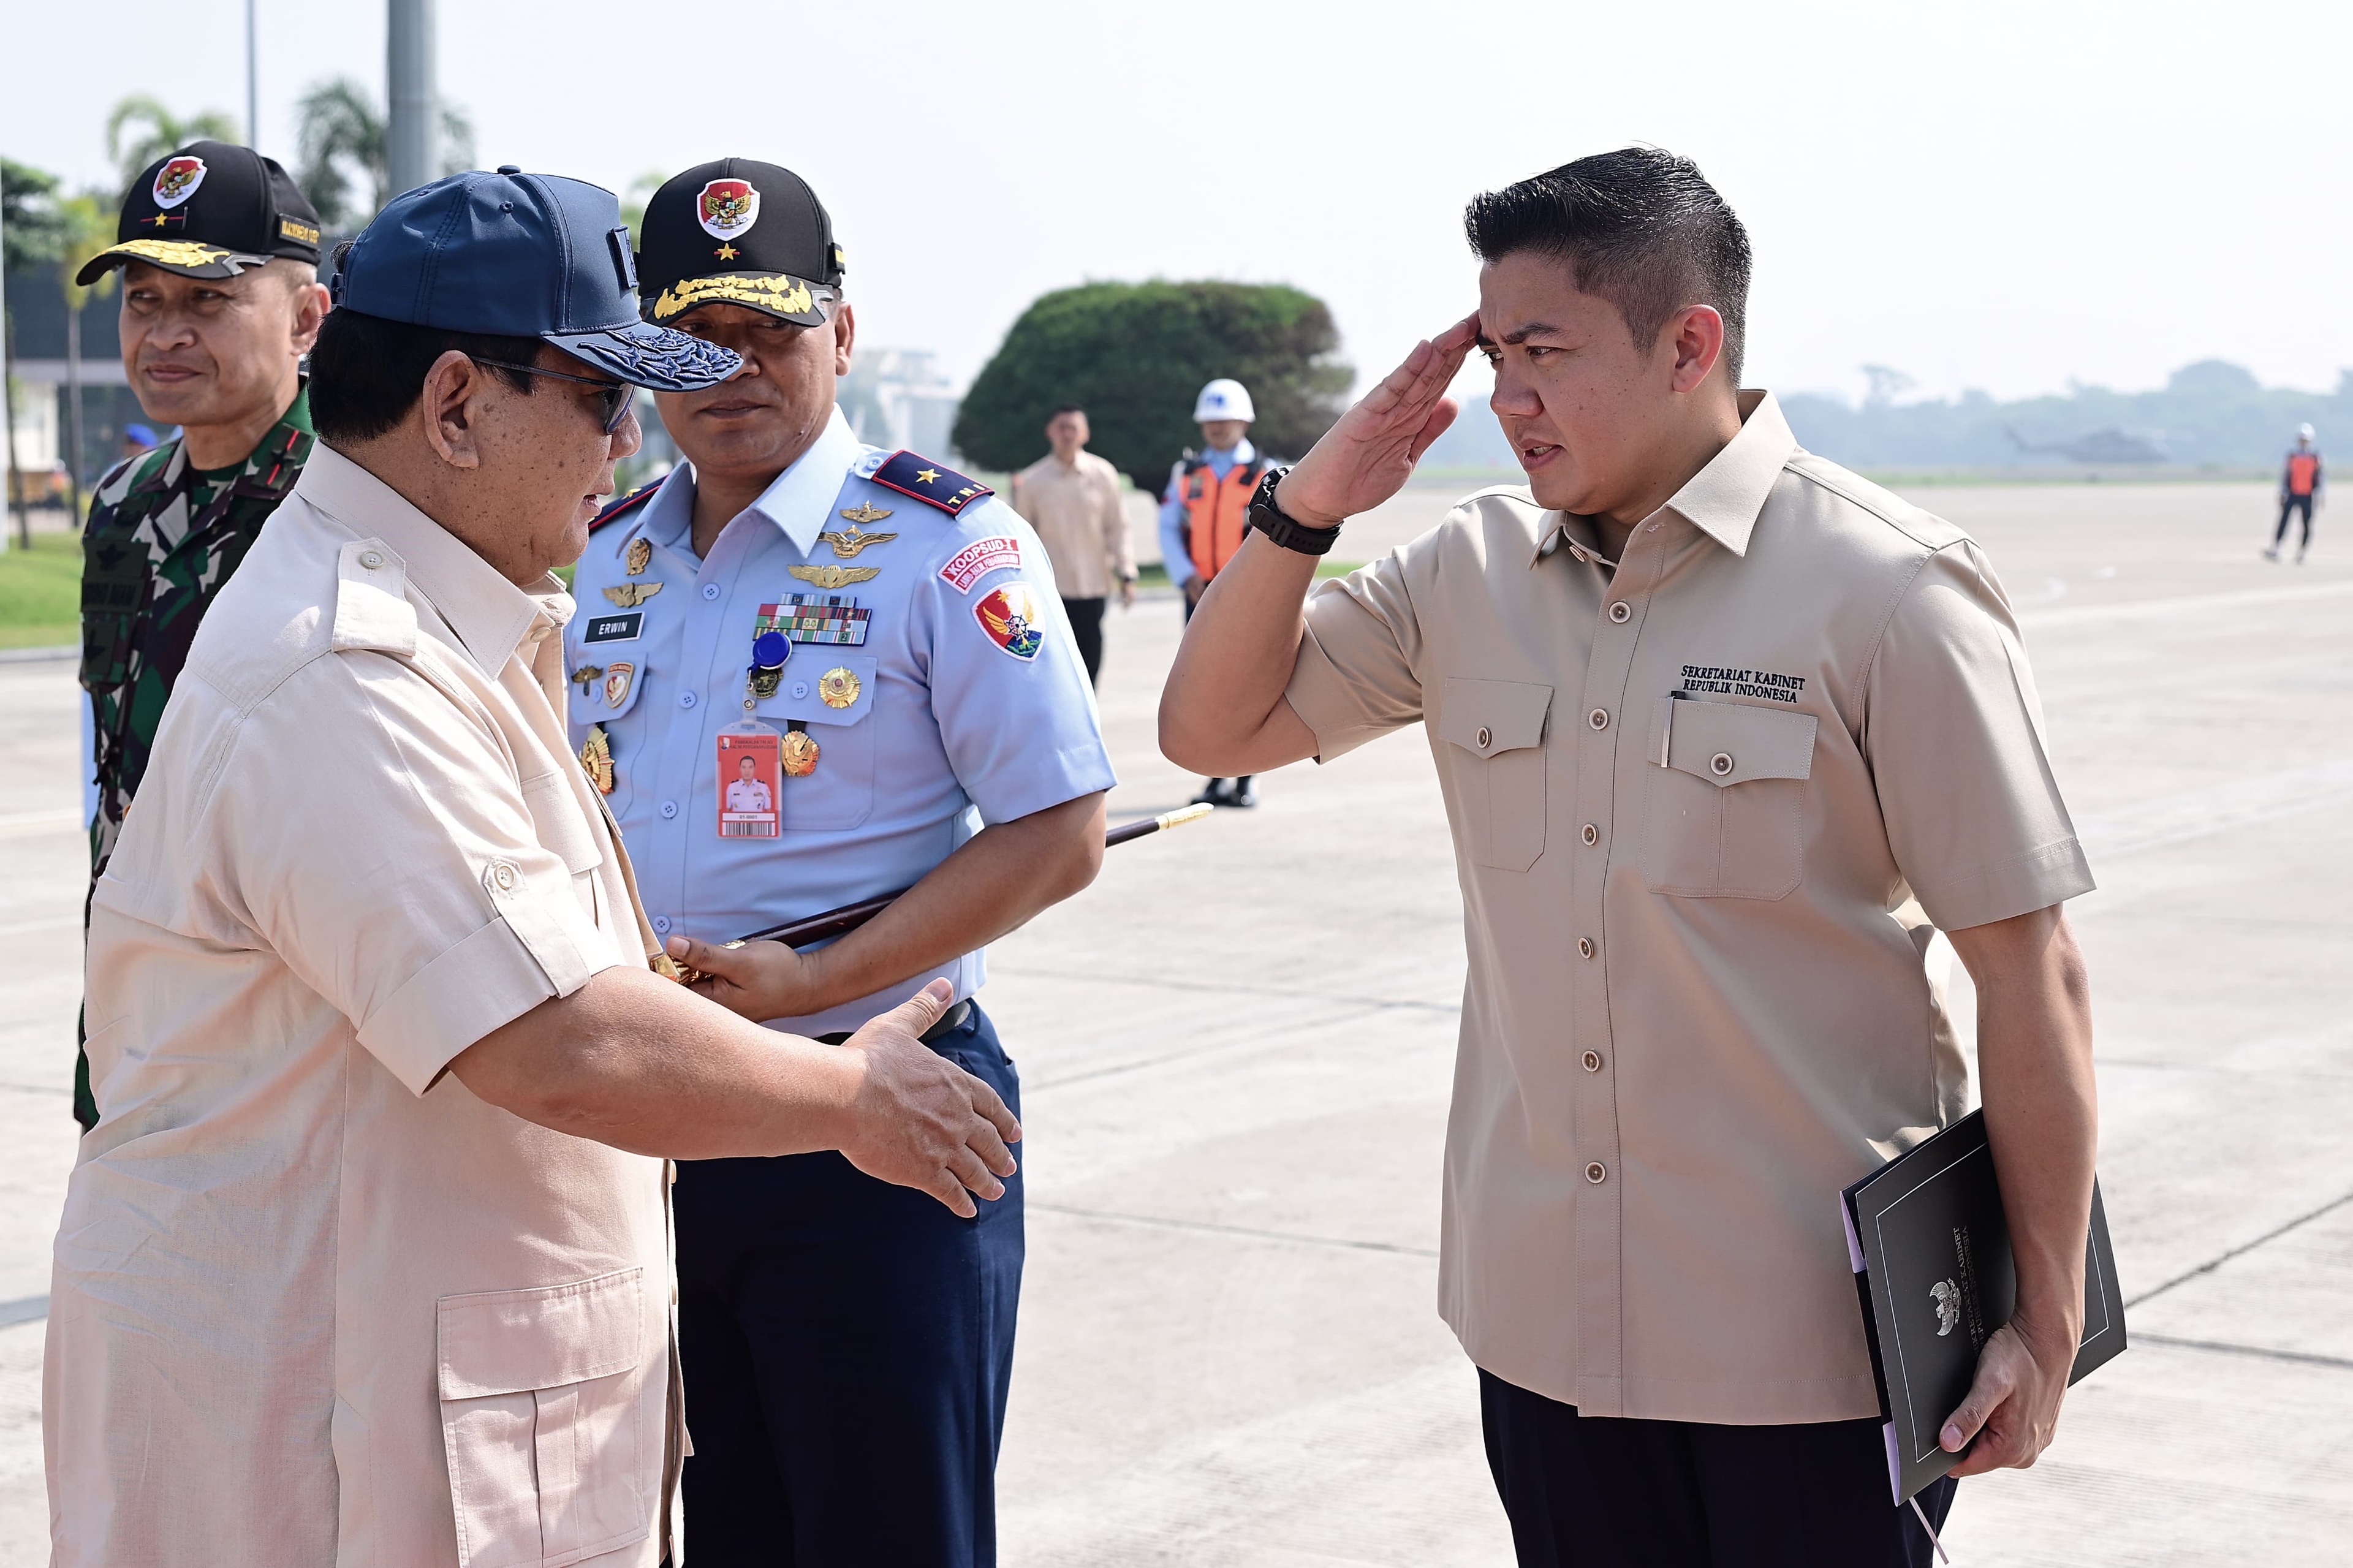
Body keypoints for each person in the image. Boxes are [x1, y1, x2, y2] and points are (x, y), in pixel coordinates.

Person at [48, 166, 1023, 1568]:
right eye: (601, 396)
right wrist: (851, 1097)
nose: (628, 443)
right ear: (454, 405)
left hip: (405, 1404)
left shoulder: (444, 621)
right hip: (329, 1452)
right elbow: (551, 1040)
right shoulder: (344, 668)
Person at [1159, 148, 2100, 1568]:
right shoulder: (1465, 575)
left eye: (1543, 353)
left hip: (1808, 1349)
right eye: (1492, 356)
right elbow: (1208, 726)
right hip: (1544, 1333)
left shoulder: (1888, 590)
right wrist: (1312, 504)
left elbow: (2031, 973)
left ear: (1688, 346)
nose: (1505, 398)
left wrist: (2044, 1316)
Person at [572, 157, 1115, 1567]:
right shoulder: (604, 553)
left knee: (890, 1534)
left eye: (768, 330)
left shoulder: (942, 543)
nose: (732, 368)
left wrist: (815, 977)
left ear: (844, 334)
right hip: (657, 1123)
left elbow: (1057, 830)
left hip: (874, 1118)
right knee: (705, 1531)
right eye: (694, 338)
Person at [70, 139, 331, 1130]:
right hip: (137, 996)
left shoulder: (360, 502)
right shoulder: (121, 505)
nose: (166, 333)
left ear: (306, 318)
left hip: (295, 1012)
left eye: (208, 301)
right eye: (144, 301)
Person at [1158, 376, 1273, 807]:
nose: (1217, 427)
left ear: (1245, 421)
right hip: (1199, 594)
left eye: (1225, 420)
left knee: (1250, 687)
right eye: (1210, 420)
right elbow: (1169, 525)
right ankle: (1214, 775)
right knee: (1204, 688)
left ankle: (1246, 777)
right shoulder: (1187, 473)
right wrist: (1183, 573)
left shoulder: (1266, 472)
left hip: (1249, 597)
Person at [1009, 404, 1137, 686]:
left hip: (1094, 585)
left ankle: (1089, 706)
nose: (1067, 434)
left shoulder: (1103, 475)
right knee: (1056, 660)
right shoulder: (1032, 481)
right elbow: (1022, 538)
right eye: (1062, 428)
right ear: (1050, 432)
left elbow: (1118, 528)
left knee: (1091, 653)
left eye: (1074, 428)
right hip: (1051, 588)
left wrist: (1127, 573)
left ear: (1086, 433)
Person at [2266, 422, 2321, 562]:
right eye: (2301, 439)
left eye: (2306, 440)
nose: (2303, 442)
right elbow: (2286, 475)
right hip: (2293, 493)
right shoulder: (2292, 456)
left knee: (2306, 524)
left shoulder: (2315, 457)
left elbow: (2320, 478)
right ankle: (2277, 548)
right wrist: (2282, 492)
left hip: (2307, 495)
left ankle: (2302, 552)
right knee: (2284, 520)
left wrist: (2320, 495)